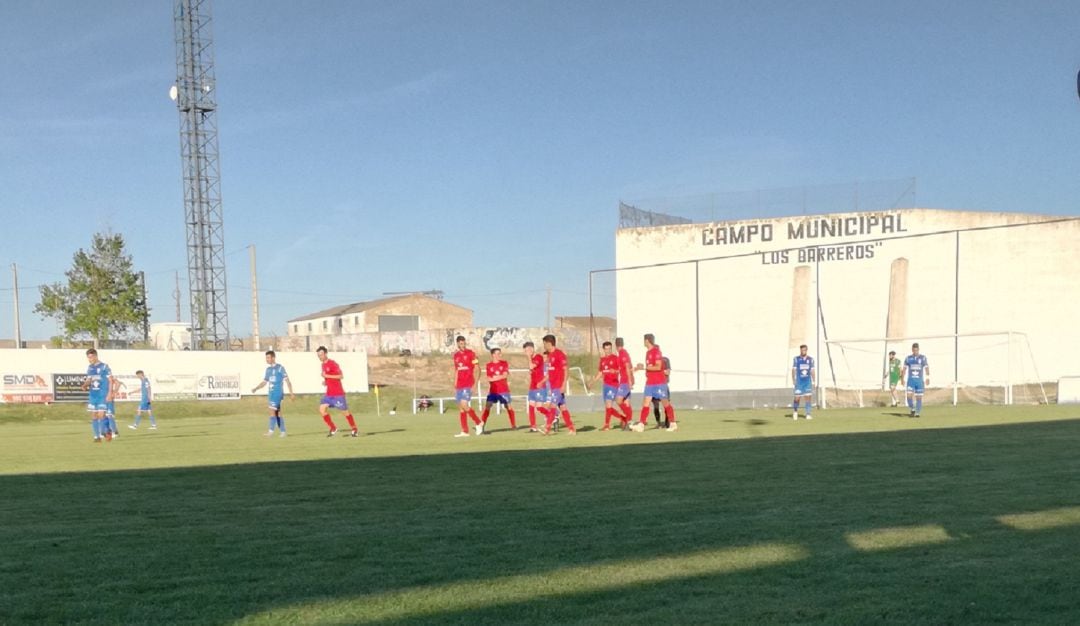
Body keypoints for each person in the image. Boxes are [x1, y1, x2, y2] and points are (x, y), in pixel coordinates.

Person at [632, 334, 677, 432]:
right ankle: (641, 425)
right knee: (645, 402)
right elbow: (650, 366)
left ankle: (673, 423)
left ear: (647, 341)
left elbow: (658, 367)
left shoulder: (656, 351)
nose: (643, 342)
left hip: (659, 382)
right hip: (650, 383)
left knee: (665, 402)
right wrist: (639, 368)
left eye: (644, 341)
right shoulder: (647, 352)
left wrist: (644, 367)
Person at [316, 346, 358, 437]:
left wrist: (327, 376)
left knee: (345, 412)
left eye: (321, 355)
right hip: (329, 394)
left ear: (326, 354)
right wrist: (326, 382)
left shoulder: (333, 363)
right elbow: (329, 377)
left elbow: (340, 376)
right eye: (318, 355)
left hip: (337, 393)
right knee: (322, 409)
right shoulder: (323, 365)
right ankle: (333, 428)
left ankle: (354, 429)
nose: (320, 357)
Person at [251, 350, 294, 437]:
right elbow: (264, 382)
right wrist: (256, 388)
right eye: (266, 358)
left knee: (272, 411)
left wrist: (291, 393)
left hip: (278, 393)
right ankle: (283, 432)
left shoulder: (280, 368)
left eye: (268, 358)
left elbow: (288, 381)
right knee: (278, 412)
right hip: (271, 393)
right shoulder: (268, 369)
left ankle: (270, 431)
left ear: (273, 358)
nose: (267, 359)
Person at [541, 334, 576, 435]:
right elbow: (551, 372)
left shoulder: (559, 354)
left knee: (552, 406)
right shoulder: (550, 356)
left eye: (544, 344)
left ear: (549, 343)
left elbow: (566, 370)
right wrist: (542, 382)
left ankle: (547, 428)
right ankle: (572, 429)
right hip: (553, 386)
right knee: (563, 407)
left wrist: (564, 384)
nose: (544, 346)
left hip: (558, 386)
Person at [452, 335, 483, 437]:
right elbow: (457, 371)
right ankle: (465, 431)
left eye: (463, 343)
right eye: (460, 343)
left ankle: (478, 422)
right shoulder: (456, 356)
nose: (462, 345)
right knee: (461, 408)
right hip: (459, 385)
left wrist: (475, 384)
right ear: (457, 344)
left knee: (465, 404)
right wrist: (455, 385)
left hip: (468, 384)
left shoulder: (471, 354)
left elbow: (478, 369)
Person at [81, 348, 114, 443]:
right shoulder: (90, 368)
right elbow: (89, 379)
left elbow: (110, 380)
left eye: (91, 357)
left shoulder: (104, 367)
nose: (89, 359)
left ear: (95, 356)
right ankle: (97, 437)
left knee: (101, 415)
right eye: (88, 358)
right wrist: (84, 385)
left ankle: (106, 431)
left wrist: (109, 393)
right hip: (93, 395)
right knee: (94, 416)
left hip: (102, 394)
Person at [480, 348, 517, 430]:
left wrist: (495, 377)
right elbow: (489, 378)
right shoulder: (489, 365)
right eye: (498, 353)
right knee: (487, 406)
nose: (500, 355)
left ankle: (513, 425)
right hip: (493, 390)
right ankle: (481, 426)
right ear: (493, 355)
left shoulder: (504, 363)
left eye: (500, 353)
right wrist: (499, 377)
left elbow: (505, 375)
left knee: (508, 407)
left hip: (503, 390)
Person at [592, 341, 625, 431]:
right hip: (605, 385)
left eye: (609, 349)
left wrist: (615, 371)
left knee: (608, 404)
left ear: (611, 349)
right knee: (608, 407)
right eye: (606, 349)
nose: (608, 351)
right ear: (603, 349)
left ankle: (607, 425)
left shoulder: (615, 358)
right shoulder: (602, 359)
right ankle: (622, 418)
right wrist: (593, 382)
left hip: (613, 384)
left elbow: (622, 369)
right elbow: (600, 372)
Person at [523, 341, 551, 432]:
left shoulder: (538, 357)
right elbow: (532, 371)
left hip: (540, 386)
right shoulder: (531, 358)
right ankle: (533, 427)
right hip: (533, 386)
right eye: (527, 349)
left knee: (539, 407)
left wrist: (528, 357)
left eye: (530, 349)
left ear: (533, 348)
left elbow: (531, 366)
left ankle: (551, 416)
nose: (529, 351)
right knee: (531, 406)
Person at [901, 342, 930, 418]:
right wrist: (902, 378)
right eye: (914, 350)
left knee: (919, 397)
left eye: (916, 350)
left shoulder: (923, 358)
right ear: (912, 350)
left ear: (918, 350)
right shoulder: (908, 358)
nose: (915, 352)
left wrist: (927, 378)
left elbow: (926, 368)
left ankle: (917, 412)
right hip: (911, 380)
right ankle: (912, 408)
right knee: (909, 396)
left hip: (919, 381)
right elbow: (904, 369)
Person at [614, 337, 635, 428]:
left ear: (616, 345)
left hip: (625, 381)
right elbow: (624, 368)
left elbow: (627, 367)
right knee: (626, 402)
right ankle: (627, 422)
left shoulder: (623, 354)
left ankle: (629, 418)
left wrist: (629, 381)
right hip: (625, 380)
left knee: (618, 400)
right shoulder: (622, 354)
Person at [791, 344, 815, 420]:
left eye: (804, 350)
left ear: (806, 350)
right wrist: (793, 379)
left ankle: (808, 414)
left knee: (808, 398)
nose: (803, 351)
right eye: (802, 350)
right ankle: (795, 411)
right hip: (799, 382)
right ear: (800, 350)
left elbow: (812, 370)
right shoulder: (796, 359)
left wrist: (814, 381)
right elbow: (794, 370)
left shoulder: (810, 359)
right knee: (797, 398)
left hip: (807, 382)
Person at [650, 355, 672, 428]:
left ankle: (667, 423)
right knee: (656, 406)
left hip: (663, 385)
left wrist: (658, 371)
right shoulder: (651, 361)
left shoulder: (665, 360)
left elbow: (668, 372)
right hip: (654, 386)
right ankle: (658, 423)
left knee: (666, 405)